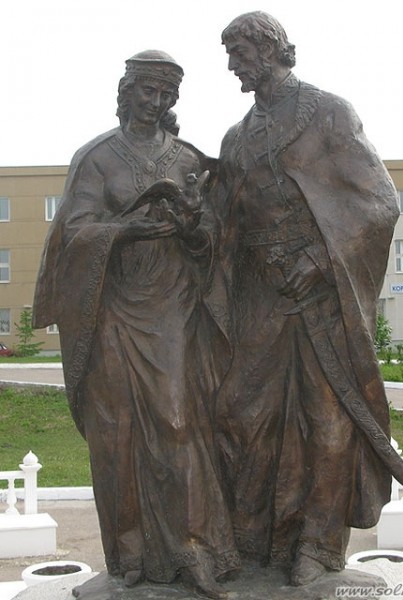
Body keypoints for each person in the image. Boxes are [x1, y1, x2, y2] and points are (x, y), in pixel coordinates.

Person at [214, 11, 403, 589]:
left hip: (321, 292)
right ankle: (253, 537)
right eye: (228, 54)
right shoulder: (235, 138)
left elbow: (378, 201)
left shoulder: (329, 113)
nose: (231, 66)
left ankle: (318, 544)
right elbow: (222, 221)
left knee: (327, 418)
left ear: (270, 50)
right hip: (259, 297)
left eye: (239, 53)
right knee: (237, 410)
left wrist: (316, 261)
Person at [32, 50, 239, 599]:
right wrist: (126, 230)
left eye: (166, 94)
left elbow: (213, 236)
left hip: (174, 307)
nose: (156, 101)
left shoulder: (188, 158)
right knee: (114, 432)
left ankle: (194, 548)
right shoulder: (98, 158)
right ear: (127, 93)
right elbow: (74, 233)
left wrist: (193, 226)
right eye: (148, 91)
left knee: (177, 422)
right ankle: (128, 555)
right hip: (112, 309)